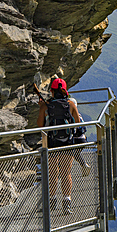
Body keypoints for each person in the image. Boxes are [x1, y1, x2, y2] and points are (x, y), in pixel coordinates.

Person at [36, 77, 83, 214]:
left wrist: (42, 108)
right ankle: (66, 201)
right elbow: (77, 123)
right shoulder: (70, 104)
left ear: (51, 91)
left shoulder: (46, 106)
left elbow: (40, 124)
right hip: (67, 143)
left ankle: (52, 200)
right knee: (66, 172)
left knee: (52, 173)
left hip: (51, 143)